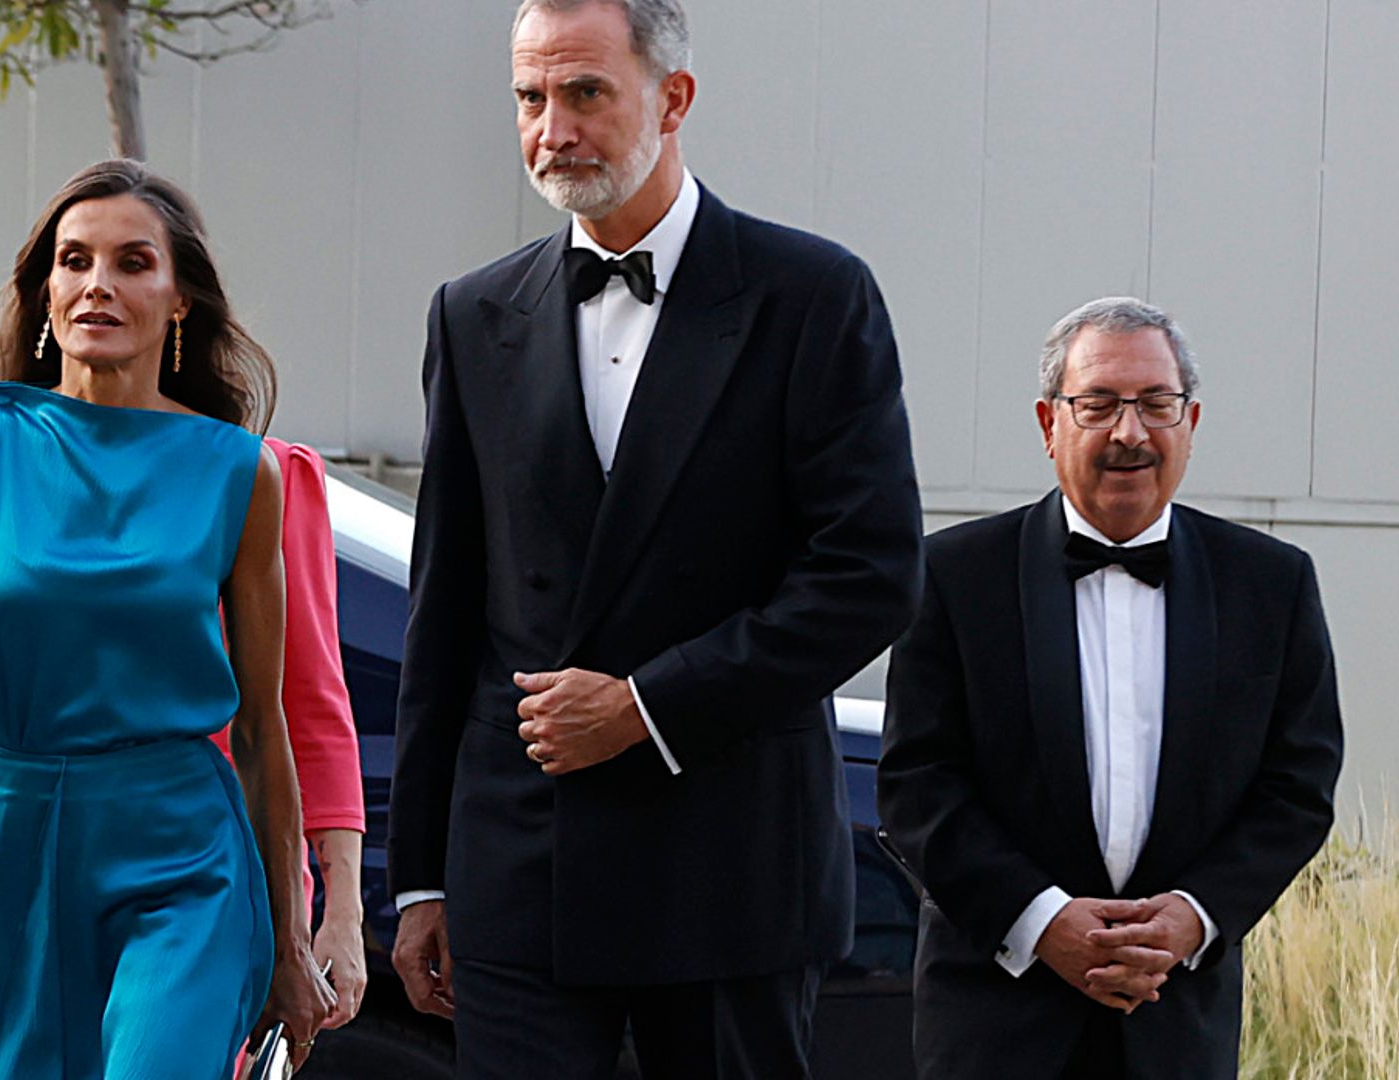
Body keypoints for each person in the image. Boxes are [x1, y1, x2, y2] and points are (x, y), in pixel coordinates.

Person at [386, 1, 924, 1075]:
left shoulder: (812, 297)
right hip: (519, 869)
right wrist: (423, 880)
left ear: (674, 98)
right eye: (530, 99)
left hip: (726, 867)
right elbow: (444, 610)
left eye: (586, 93)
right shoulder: (471, 311)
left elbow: (868, 576)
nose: (554, 129)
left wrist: (646, 707)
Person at [0, 159, 336, 1080]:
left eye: (132, 262)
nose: (98, 285)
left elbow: (263, 724)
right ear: (45, 294)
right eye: (75, 261)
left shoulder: (239, 472)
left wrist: (291, 935)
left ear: (178, 302)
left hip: (186, 851)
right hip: (28, 840)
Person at [877, 297, 1345, 1079]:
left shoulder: (1272, 585)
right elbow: (919, 786)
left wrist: (1193, 918)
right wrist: (1042, 922)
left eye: (1156, 404)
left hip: (1177, 1023)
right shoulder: (953, 577)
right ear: (1048, 423)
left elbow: (1298, 786)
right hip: (994, 1026)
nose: (1130, 433)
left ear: (1190, 423)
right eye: (1098, 404)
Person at [0, 436, 368, 1073]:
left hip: (209, 865)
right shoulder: (11, 468)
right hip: (36, 869)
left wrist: (340, 914)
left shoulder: (260, 474)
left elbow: (309, 706)